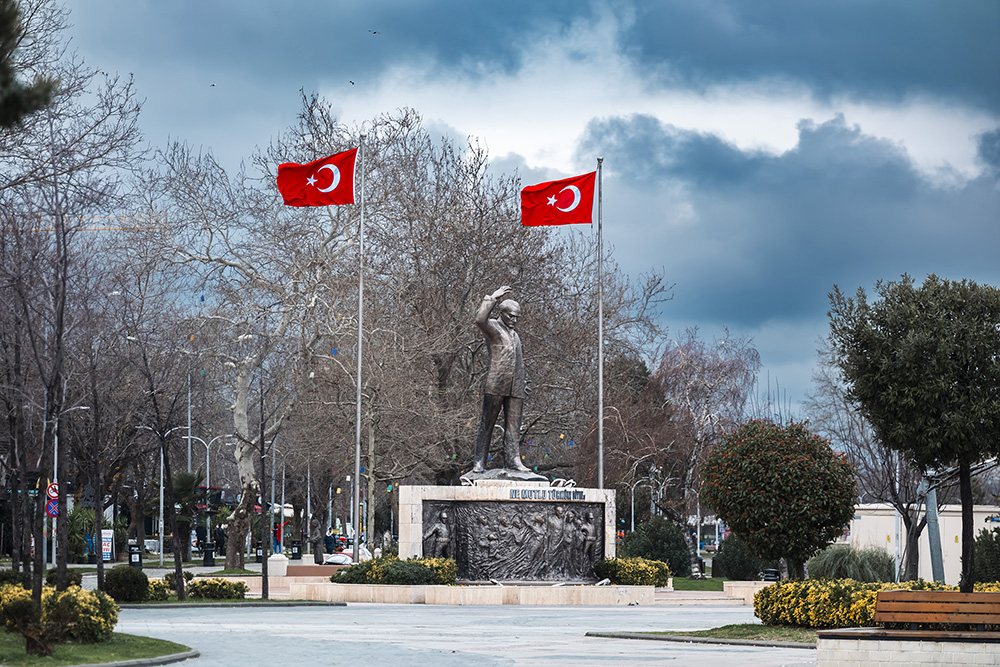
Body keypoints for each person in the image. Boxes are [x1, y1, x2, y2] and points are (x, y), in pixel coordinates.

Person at [472, 285, 532, 473]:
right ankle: (479, 461)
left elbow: (518, 361)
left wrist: (522, 382)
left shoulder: (516, 336)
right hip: (496, 384)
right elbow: (479, 319)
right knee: (487, 424)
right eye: (511, 316)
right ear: (502, 313)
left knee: (514, 428)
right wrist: (493, 297)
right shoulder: (493, 328)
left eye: (517, 317)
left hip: (516, 388)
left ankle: (513, 459)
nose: (514, 320)